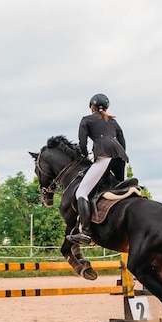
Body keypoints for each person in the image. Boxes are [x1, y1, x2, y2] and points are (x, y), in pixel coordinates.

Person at [66, 93, 129, 245]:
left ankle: (86, 232)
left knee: (82, 192)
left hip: (104, 156)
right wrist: (120, 157)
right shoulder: (113, 121)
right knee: (122, 191)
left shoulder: (86, 120)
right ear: (106, 108)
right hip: (121, 158)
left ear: (91, 107)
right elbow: (122, 140)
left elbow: (82, 143)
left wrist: (84, 155)